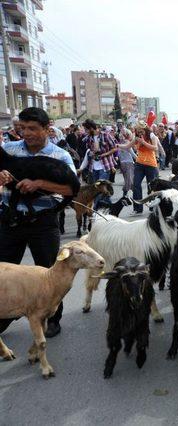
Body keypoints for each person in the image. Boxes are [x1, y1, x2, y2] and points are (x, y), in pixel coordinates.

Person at [0, 107, 78, 338]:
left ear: (47, 129)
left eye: (33, 128)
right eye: (23, 128)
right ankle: (4, 315)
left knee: (50, 271)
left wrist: (39, 184)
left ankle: (52, 317)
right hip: (9, 221)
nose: (27, 133)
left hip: (43, 223)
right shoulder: (8, 149)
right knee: (4, 271)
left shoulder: (60, 156)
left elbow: (70, 189)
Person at [118, 122, 159, 215]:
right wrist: (118, 146)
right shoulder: (136, 137)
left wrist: (143, 142)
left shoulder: (151, 135)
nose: (140, 132)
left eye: (141, 131)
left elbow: (155, 148)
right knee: (135, 185)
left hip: (151, 164)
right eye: (138, 131)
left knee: (151, 187)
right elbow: (128, 146)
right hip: (139, 164)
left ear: (145, 129)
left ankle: (153, 207)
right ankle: (137, 209)